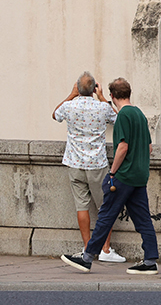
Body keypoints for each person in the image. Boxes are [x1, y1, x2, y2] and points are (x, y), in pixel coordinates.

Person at [61, 78, 159, 275]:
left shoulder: (123, 115)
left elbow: (122, 147)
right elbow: (148, 147)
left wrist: (112, 172)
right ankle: (150, 260)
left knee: (106, 215)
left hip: (124, 176)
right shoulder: (139, 114)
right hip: (139, 176)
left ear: (112, 96)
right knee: (143, 220)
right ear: (129, 93)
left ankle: (87, 257)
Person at [53, 71, 124, 263]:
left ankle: (87, 248)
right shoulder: (102, 108)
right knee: (105, 207)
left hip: (75, 163)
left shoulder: (69, 106)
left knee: (81, 206)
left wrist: (71, 94)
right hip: (97, 164)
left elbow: (55, 114)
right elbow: (120, 119)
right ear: (94, 89)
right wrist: (102, 98)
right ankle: (105, 249)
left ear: (78, 88)